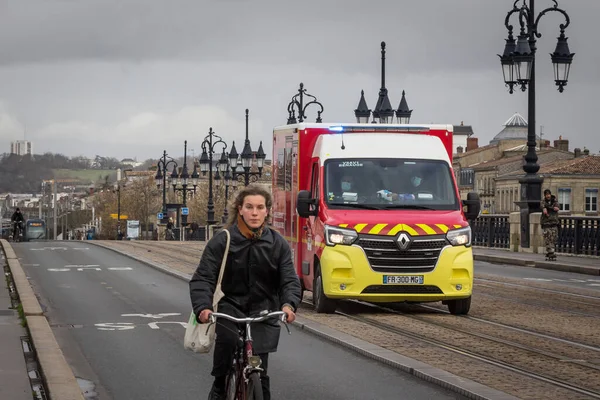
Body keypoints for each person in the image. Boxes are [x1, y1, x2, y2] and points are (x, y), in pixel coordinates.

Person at [189, 184, 301, 400]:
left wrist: (289, 304)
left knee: (261, 370)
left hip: (264, 310)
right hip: (230, 308)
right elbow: (203, 278)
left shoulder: (277, 244)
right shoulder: (222, 240)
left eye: (260, 207)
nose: (255, 212)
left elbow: (289, 279)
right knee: (227, 345)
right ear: (240, 209)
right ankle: (220, 386)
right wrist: (202, 307)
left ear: (267, 210)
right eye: (249, 207)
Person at [541, 189, 560, 260]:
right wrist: (545, 209)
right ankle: (551, 252)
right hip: (546, 223)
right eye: (546, 195)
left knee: (554, 238)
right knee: (547, 238)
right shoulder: (543, 202)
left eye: (549, 194)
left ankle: (550, 251)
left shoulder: (555, 201)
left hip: (554, 222)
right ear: (545, 195)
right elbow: (542, 206)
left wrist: (549, 208)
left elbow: (557, 208)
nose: (548, 196)